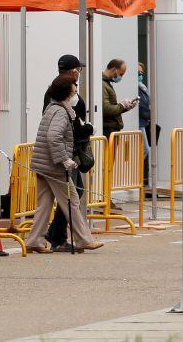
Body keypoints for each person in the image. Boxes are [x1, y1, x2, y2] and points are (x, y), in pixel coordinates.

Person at [25, 75, 103, 254]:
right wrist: (64, 159)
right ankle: (84, 239)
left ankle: (34, 241)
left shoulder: (52, 108)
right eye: (74, 91)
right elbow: (53, 137)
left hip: (42, 164)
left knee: (44, 204)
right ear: (66, 93)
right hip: (55, 167)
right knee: (72, 201)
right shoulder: (61, 112)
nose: (76, 94)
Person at [44, 55, 92, 251]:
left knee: (50, 199)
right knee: (72, 194)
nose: (79, 73)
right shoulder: (64, 93)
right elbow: (64, 127)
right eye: (78, 69)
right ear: (74, 71)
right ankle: (64, 237)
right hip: (64, 153)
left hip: (60, 152)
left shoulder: (54, 89)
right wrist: (86, 129)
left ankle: (43, 237)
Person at [137, 62, 160, 187]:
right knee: (144, 149)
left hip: (144, 122)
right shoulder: (136, 88)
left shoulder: (142, 87)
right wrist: (150, 114)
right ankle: (137, 178)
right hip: (139, 122)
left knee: (144, 149)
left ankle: (140, 178)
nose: (140, 75)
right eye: (138, 73)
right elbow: (141, 107)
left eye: (141, 73)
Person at [101, 58, 136, 138]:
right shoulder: (103, 84)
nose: (121, 77)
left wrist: (126, 107)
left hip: (111, 129)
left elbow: (113, 109)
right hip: (108, 130)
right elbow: (106, 109)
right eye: (121, 74)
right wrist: (122, 106)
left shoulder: (107, 84)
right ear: (114, 70)